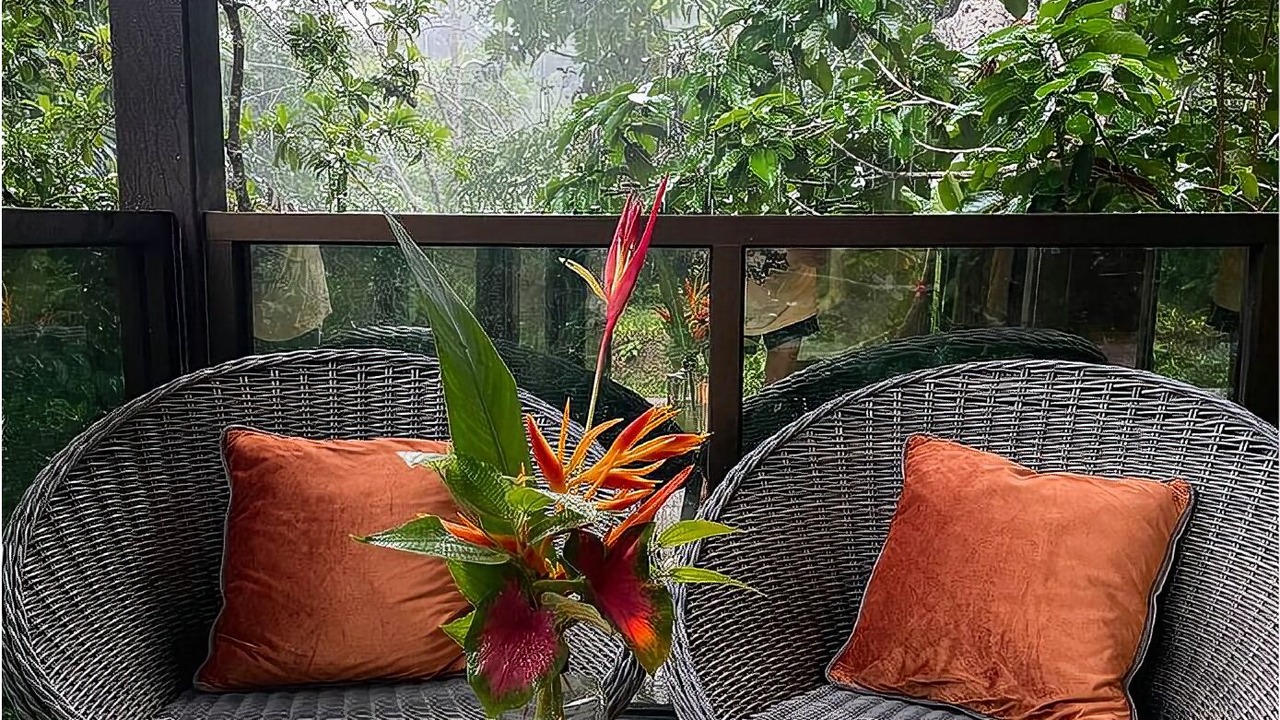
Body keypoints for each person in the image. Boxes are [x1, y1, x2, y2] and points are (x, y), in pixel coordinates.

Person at [744, 248, 826, 384]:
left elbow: (817, 255)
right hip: (733, 298)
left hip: (791, 307)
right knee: (721, 377)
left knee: (778, 383)